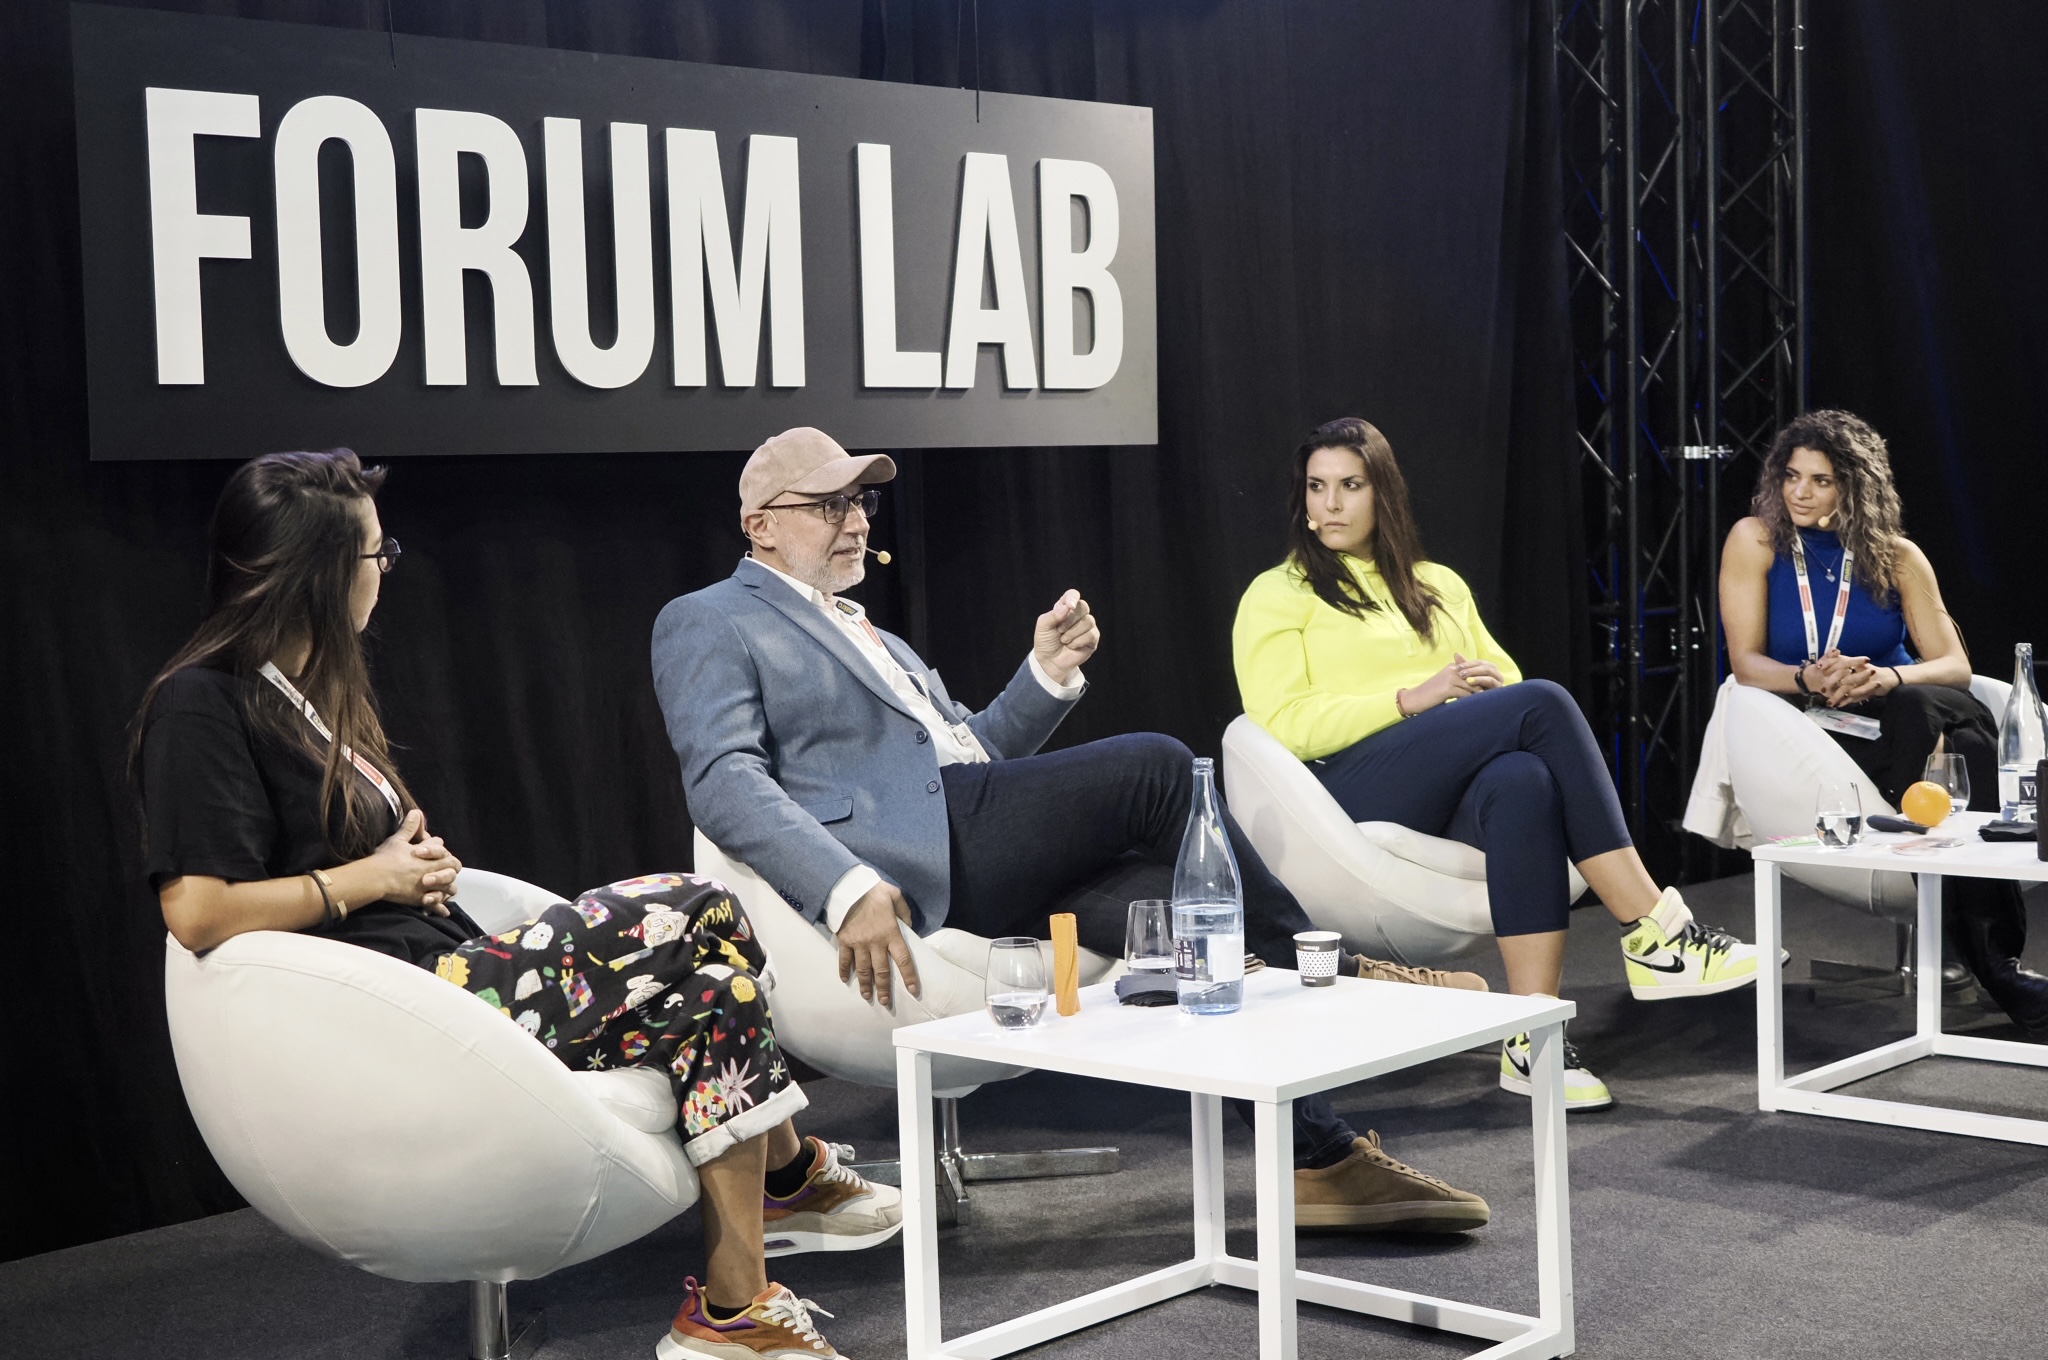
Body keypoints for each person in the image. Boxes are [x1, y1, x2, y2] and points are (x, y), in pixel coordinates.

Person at [131, 449, 898, 1360]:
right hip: (410, 1004)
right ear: (317, 573)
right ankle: (793, 1171)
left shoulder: (304, 693)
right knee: (698, 904)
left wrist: (405, 864)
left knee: (720, 1000)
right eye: (377, 556)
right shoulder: (201, 703)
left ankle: (732, 1313)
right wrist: (371, 879)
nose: (385, 573)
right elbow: (198, 912)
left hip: (446, 965)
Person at [653, 426, 1492, 1233]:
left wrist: (1045, 675)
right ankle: (1340, 968)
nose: (858, 521)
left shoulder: (872, 630)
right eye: (829, 505)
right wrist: (845, 889)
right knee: (1158, 766)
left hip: (972, 832)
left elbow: (972, 752)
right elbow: (723, 780)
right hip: (907, 861)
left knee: (1181, 921)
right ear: (760, 525)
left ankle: (1322, 1161)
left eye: (862, 502)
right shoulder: (710, 618)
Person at [1233, 417, 1767, 1113]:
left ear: (1382, 493)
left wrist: (1480, 690)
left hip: (1437, 780)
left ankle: (1531, 1033)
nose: (1328, 505)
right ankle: (1656, 931)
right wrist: (1410, 698)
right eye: (1316, 487)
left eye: (1350, 486)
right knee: (1542, 705)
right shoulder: (1280, 593)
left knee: (1525, 781)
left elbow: (1501, 676)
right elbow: (1286, 723)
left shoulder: (1438, 586)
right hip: (1341, 791)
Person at [1718, 409, 2048, 1037]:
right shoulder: (1755, 540)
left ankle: (1979, 943)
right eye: (1791, 476)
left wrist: (1888, 677)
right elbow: (1745, 663)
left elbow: (1954, 665)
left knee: (1924, 707)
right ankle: (1995, 962)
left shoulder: (1896, 556)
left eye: (1821, 481)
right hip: (1811, 724)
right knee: (1967, 736)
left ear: (1855, 487)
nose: (1800, 493)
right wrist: (1809, 677)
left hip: (1903, 712)